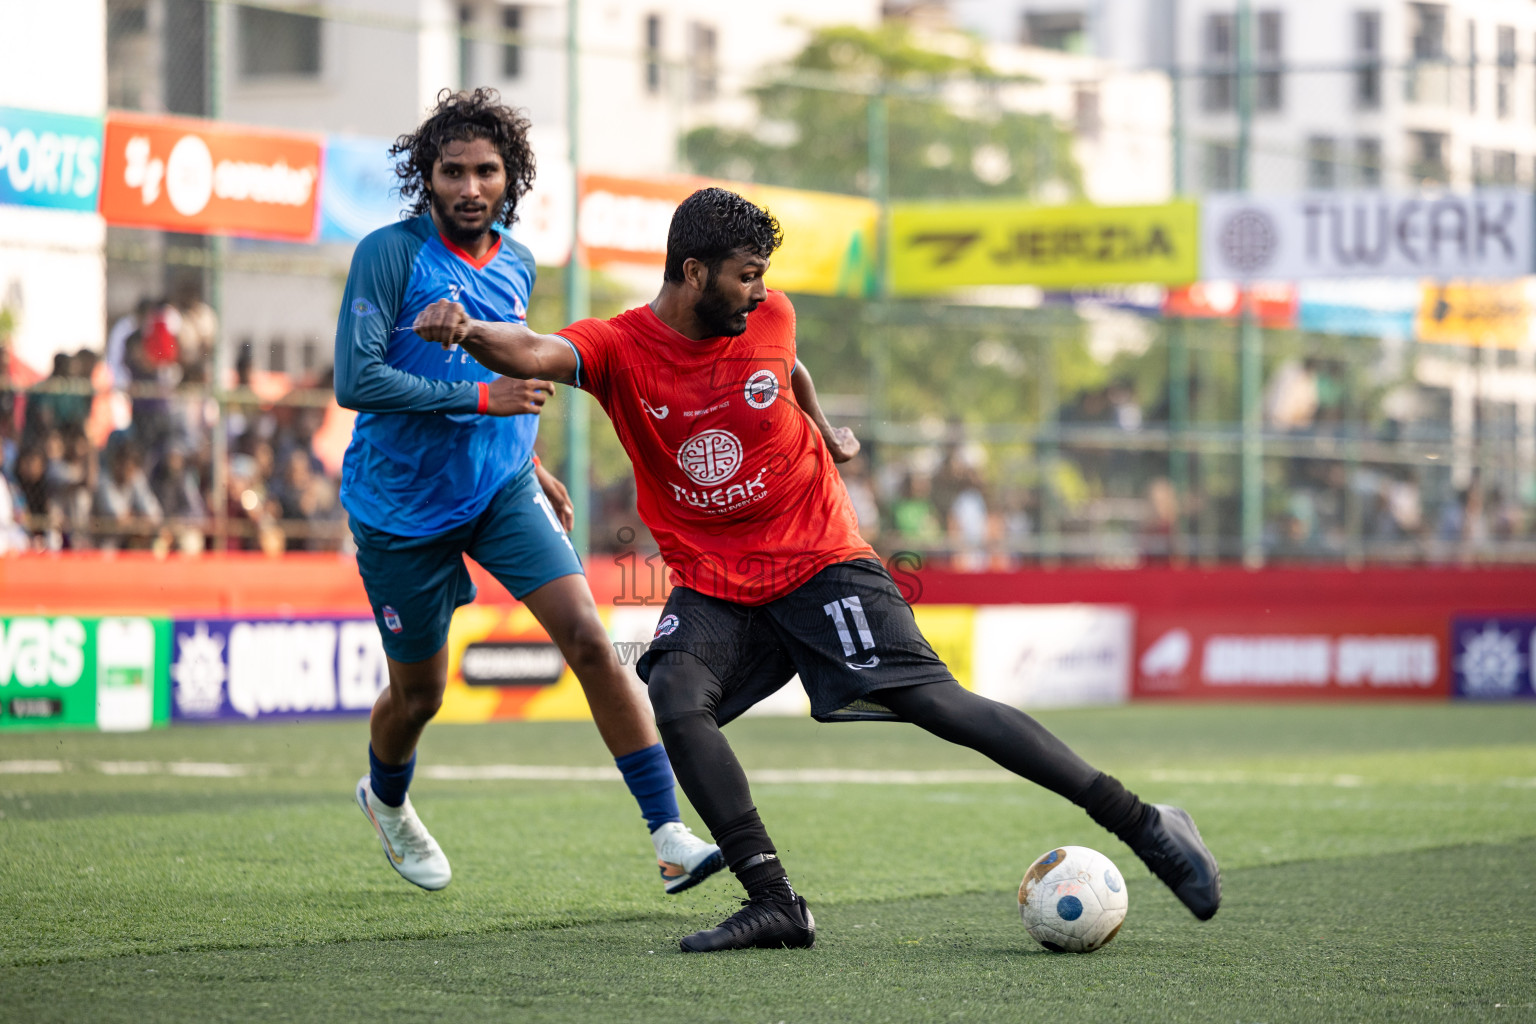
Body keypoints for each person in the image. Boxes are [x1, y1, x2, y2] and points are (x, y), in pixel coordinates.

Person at [413, 187, 1222, 952]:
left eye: (763, 276)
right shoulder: (622, 348)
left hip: (817, 557)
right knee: (674, 698)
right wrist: (464, 331)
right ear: (693, 273)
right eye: (744, 274)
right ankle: (774, 902)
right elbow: (532, 348)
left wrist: (825, 427)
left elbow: (788, 365)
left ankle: (1144, 823)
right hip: (717, 582)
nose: (759, 290)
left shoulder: (768, 313)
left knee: (937, 705)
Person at [333, 89, 721, 895]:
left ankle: (669, 833)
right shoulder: (390, 254)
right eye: (452, 172)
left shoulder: (517, 259)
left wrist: (533, 458)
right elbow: (355, 379)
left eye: (486, 171)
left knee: (589, 639)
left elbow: (512, 368)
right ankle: (388, 798)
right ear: (427, 177)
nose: (469, 187)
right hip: (400, 509)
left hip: (502, 488)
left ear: (510, 179)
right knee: (420, 697)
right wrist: (482, 402)